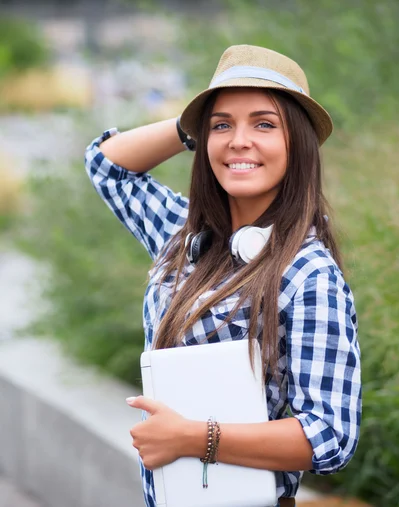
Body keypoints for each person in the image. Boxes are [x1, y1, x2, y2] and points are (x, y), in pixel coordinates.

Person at [84, 44, 362, 507]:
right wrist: (188, 127)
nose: (238, 140)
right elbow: (109, 166)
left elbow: (331, 436)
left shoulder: (310, 274)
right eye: (222, 125)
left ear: (299, 143)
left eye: (264, 124)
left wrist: (195, 438)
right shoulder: (184, 234)